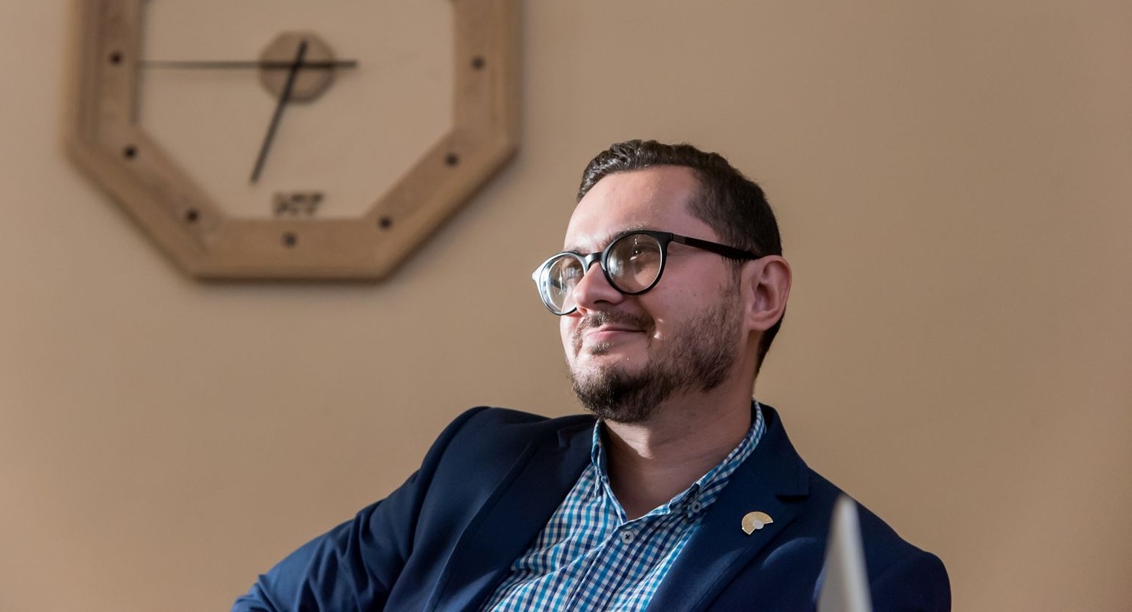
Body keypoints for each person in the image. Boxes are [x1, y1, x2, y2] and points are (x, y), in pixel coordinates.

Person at [231, 139, 951, 612]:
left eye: (637, 254)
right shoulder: (476, 462)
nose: (588, 292)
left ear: (760, 292)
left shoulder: (865, 577)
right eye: (571, 267)